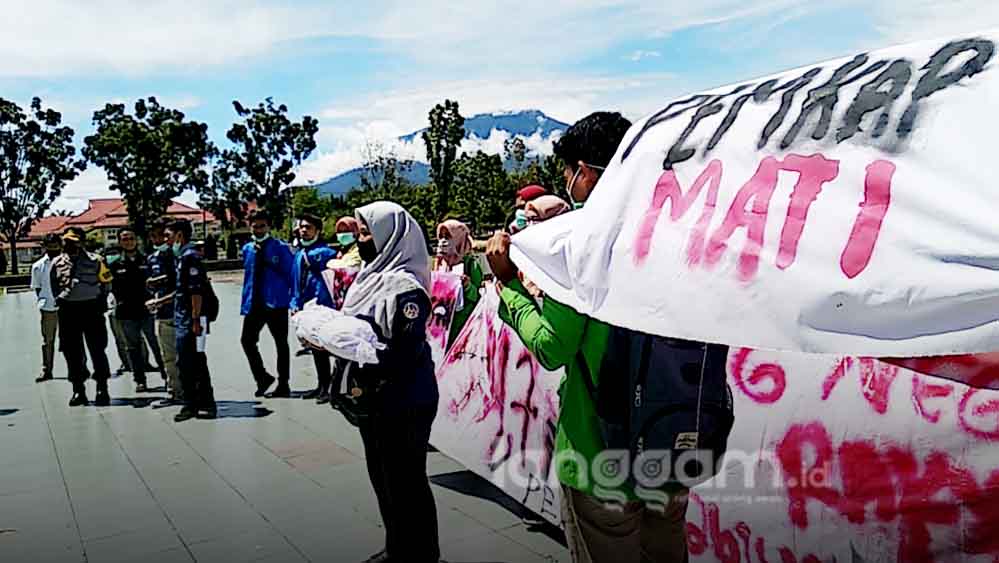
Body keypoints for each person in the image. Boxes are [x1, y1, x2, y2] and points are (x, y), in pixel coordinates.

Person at [487, 112, 691, 563]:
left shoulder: (581, 241)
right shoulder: (680, 230)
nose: (566, 182)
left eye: (566, 172)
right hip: (674, 447)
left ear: (583, 172)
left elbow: (553, 347)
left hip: (599, 455)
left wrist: (511, 289)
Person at [334, 201, 440, 563]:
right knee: (383, 478)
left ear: (389, 236)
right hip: (376, 397)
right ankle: (397, 548)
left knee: (407, 482)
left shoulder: (406, 288)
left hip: (405, 398)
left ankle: (422, 555)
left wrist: (346, 344)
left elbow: (403, 352)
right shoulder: (369, 278)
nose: (360, 240)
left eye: (366, 233)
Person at [51, 227, 114, 407]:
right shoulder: (57, 262)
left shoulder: (96, 260)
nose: (69, 244)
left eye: (73, 241)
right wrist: (60, 299)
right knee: (72, 351)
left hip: (91, 309)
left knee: (97, 349)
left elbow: (107, 282)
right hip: (68, 311)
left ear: (82, 242)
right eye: (66, 241)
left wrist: (101, 301)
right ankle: (78, 389)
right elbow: (54, 285)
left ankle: (102, 387)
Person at [240, 211, 295, 398]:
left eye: (262, 226)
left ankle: (283, 384)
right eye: (255, 226)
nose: (258, 230)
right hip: (254, 303)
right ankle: (262, 377)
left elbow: (291, 274)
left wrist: (293, 299)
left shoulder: (280, 248)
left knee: (281, 343)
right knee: (247, 340)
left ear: (269, 226)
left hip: (276, 303)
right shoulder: (247, 249)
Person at [166, 220, 216, 422]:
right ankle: (194, 403)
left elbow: (196, 292)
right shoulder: (182, 257)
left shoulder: (190, 257)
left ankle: (200, 404)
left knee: (193, 361)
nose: (167, 240)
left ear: (179, 235)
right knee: (187, 361)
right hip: (184, 317)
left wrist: (195, 319)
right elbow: (182, 290)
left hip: (192, 319)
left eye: (169, 235)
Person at [109, 229, 166, 393]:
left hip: (148, 310)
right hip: (126, 312)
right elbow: (110, 287)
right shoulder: (114, 264)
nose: (128, 242)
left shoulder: (148, 260)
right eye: (124, 239)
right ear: (120, 242)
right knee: (133, 348)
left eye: (131, 238)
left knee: (157, 345)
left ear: (137, 240)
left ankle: (167, 377)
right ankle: (140, 380)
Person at [289, 213, 338, 403]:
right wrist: (295, 303)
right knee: (314, 347)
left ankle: (330, 387)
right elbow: (295, 281)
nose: (303, 230)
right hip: (305, 306)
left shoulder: (325, 253)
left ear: (318, 230)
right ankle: (321, 385)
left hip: (321, 306)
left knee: (324, 347)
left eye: (308, 227)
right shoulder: (299, 253)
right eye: (301, 227)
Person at [147, 218, 182, 405]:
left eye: (161, 235)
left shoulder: (176, 256)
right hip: (160, 313)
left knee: (182, 355)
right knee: (167, 356)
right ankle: (174, 391)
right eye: (153, 236)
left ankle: (187, 391)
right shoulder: (152, 258)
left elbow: (180, 285)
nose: (157, 239)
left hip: (177, 312)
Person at [433, 219, 483, 347]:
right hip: (442, 322)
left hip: (463, 326)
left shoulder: (471, 264)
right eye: (441, 237)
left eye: (448, 237)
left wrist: (467, 286)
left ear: (458, 239)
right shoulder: (440, 263)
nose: (443, 241)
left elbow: (478, 298)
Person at [30, 234, 63, 383]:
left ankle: (80, 368)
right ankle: (47, 370)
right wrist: (44, 299)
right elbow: (37, 287)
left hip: (68, 306)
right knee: (48, 341)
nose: (53, 248)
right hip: (48, 307)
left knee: (73, 339)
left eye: (55, 245)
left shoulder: (68, 262)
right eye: (50, 245)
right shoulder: (38, 266)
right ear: (45, 246)